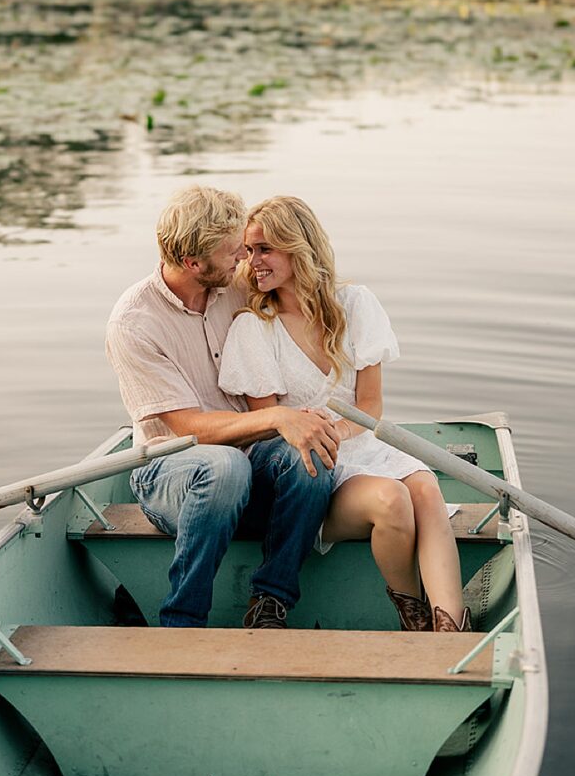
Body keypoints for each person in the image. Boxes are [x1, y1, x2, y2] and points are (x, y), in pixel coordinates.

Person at [218, 197, 468, 633]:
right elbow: (269, 427)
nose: (251, 262)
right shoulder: (253, 328)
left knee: (425, 488)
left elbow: (370, 405)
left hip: (361, 445)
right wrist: (321, 438)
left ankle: (450, 630)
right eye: (249, 250)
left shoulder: (355, 304)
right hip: (311, 474)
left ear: (298, 247)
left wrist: (337, 428)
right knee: (393, 500)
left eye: (264, 249)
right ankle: (412, 613)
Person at [104, 184, 345, 629]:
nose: (245, 260)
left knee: (310, 453)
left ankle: (270, 601)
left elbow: (302, 290)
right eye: (235, 252)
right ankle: (183, 619)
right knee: (222, 467)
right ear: (195, 263)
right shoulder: (134, 324)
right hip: (168, 470)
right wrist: (275, 416)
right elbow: (187, 428)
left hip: (249, 456)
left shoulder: (233, 285)